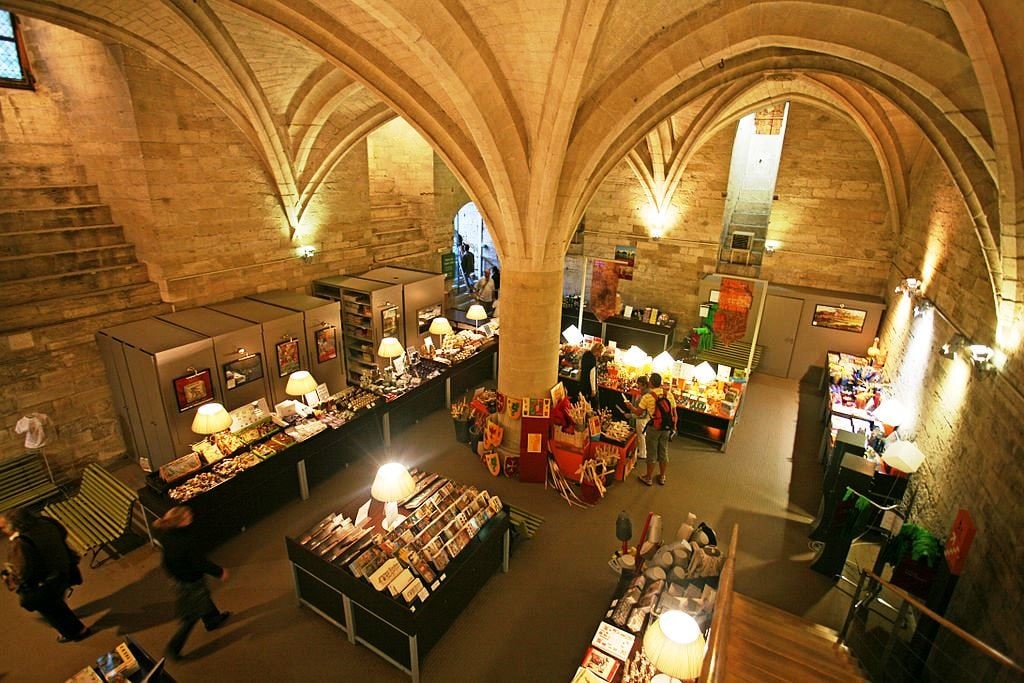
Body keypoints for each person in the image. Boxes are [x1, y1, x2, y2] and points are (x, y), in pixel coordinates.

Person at [0, 508, 90, 643]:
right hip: (63, 567)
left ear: (15, 525)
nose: (2, 530)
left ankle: (75, 632)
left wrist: (10, 578)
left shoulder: (21, 543)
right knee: (57, 601)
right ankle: (70, 621)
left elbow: (23, 571)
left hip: (46, 581)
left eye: (3, 526)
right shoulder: (46, 522)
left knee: (52, 610)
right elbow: (62, 533)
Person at [154, 506, 231, 660]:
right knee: (192, 615)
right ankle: (174, 648)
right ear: (180, 522)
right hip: (191, 579)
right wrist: (219, 572)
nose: (190, 514)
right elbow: (200, 563)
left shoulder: (167, 536)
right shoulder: (185, 541)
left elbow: (165, 561)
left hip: (179, 579)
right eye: (186, 515)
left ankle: (212, 619)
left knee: (203, 597)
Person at [636, 372, 677, 486]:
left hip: (654, 427)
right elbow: (674, 413)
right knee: (664, 451)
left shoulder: (648, 397)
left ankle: (648, 477)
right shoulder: (669, 395)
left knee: (652, 453)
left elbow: (638, 412)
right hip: (666, 428)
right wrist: (674, 426)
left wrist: (631, 407)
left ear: (650, 383)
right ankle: (662, 476)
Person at [628, 375, 651, 460]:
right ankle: (641, 451)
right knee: (641, 435)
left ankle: (642, 453)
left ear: (644, 385)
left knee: (641, 435)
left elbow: (642, 412)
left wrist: (631, 411)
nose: (638, 386)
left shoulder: (645, 395)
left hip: (642, 418)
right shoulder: (646, 393)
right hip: (643, 417)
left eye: (639, 385)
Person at [578, 340, 604, 409]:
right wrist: (593, 389)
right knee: (593, 406)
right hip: (589, 386)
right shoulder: (593, 360)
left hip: (583, 382)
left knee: (583, 404)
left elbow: (580, 366)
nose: (601, 355)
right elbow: (592, 375)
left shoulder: (585, 354)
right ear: (598, 351)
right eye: (601, 353)